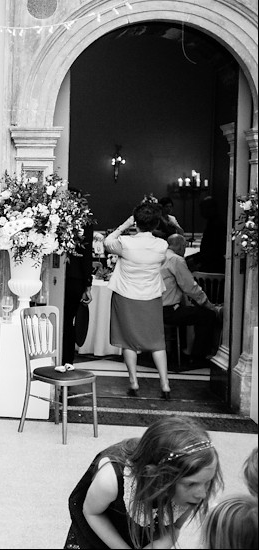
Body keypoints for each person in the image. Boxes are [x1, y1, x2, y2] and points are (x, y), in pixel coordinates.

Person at [65, 415, 222, 549]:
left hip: (143, 536)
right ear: (161, 478)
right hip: (98, 534)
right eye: (191, 484)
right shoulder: (111, 480)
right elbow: (91, 512)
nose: (202, 494)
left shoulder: (195, 489)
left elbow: (174, 527)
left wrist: (159, 545)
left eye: (208, 482)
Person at [104, 201, 172, 399]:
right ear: (156, 224)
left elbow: (107, 243)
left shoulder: (126, 243)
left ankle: (133, 382)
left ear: (136, 222)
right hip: (151, 297)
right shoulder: (162, 245)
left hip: (126, 296)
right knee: (157, 341)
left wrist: (124, 225)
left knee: (128, 340)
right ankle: (165, 384)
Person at [160, 233, 221, 364]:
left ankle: (180, 350)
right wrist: (208, 304)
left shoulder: (158, 257)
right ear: (182, 246)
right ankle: (198, 357)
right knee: (207, 315)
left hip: (151, 309)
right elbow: (190, 287)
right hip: (167, 311)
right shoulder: (176, 259)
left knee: (188, 310)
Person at [62, 188, 95, 365]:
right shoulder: (84, 221)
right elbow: (86, 254)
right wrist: (87, 285)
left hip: (60, 277)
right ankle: (67, 362)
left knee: (59, 321)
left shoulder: (57, 217)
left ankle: (54, 360)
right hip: (75, 278)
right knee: (68, 322)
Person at [194, 196, 226, 273]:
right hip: (211, 262)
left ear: (211, 208)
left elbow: (212, 250)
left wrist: (197, 259)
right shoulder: (212, 223)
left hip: (213, 265)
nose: (201, 212)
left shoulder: (216, 225)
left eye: (203, 208)